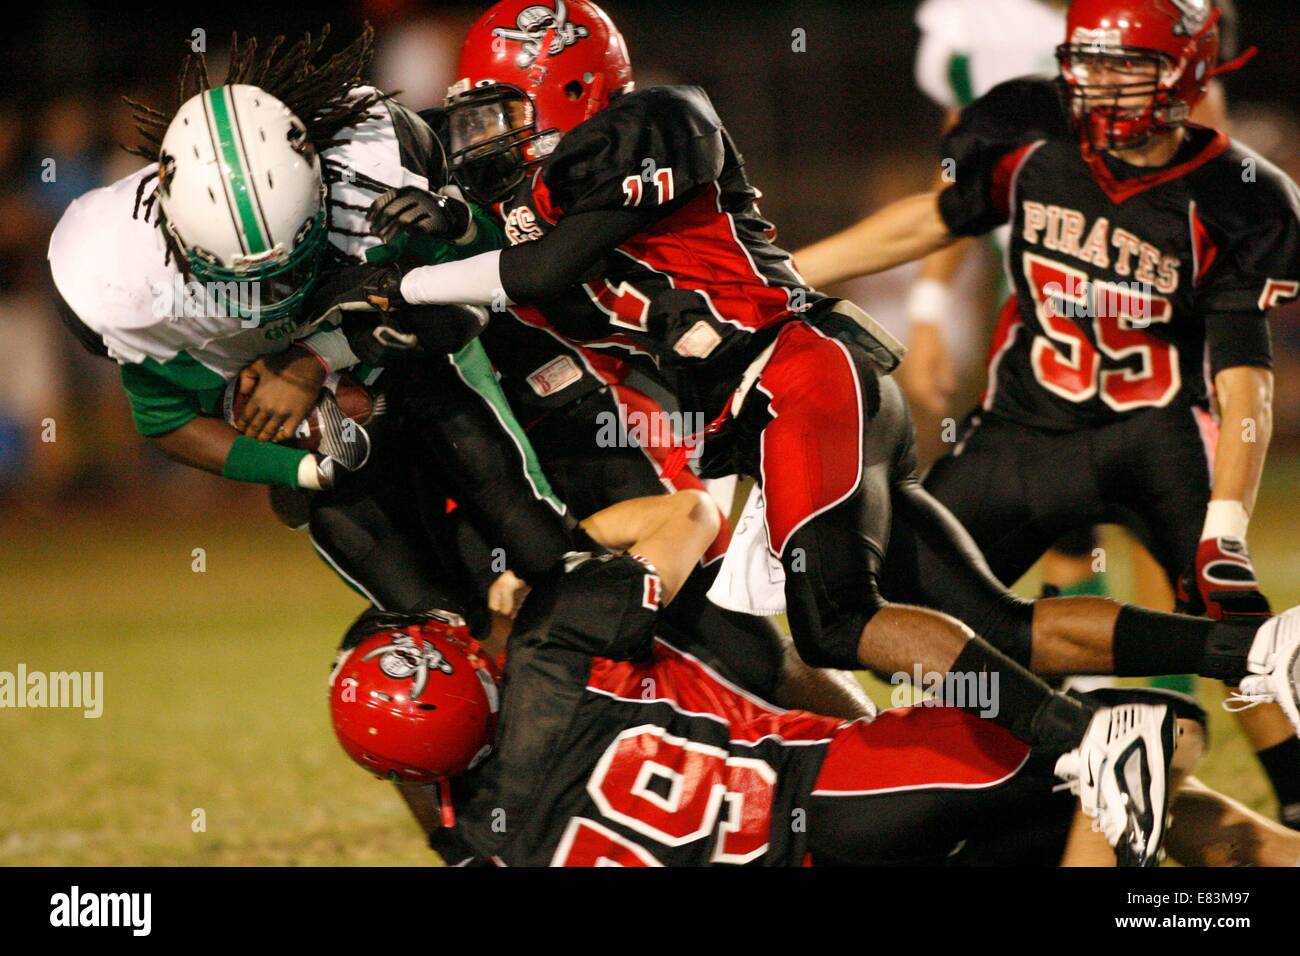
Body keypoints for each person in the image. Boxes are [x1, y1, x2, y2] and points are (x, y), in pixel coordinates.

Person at [374, 0, 1300, 783]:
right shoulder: (542, 195)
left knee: (834, 624)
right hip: (803, 395)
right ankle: (1254, 651)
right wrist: (430, 239)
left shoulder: (654, 121)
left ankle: (1090, 746)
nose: (487, 139)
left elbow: (542, 267)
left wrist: (406, 282)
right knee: (989, 623)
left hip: (802, 382)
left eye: (503, 113)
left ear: (573, 88)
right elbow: (511, 259)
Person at [793, 0, 1300, 825]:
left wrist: (1228, 527)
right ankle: (1055, 744)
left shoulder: (1243, 196)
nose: (1097, 85)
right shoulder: (1028, 128)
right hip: (1026, 428)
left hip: (1159, 434)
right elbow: (931, 219)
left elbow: (1247, 383)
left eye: (1124, 65)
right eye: (1087, 62)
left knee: (1238, 628)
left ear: (1187, 72)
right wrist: (777, 277)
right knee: (885, 608)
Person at [329, 488, 1300, 868]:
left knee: (1099, 807)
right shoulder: (550, 649)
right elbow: (687, 518)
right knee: (1138, 736)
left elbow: (430, 782)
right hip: (831, 790)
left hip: (820, 840)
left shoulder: (478, 840)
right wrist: (557, 560)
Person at [46, 26, 578, 615]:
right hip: (335, 429)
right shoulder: (124, 277)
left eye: (286, 261)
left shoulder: (374, 178)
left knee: (534, 546)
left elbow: (473, 304)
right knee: (421, 611)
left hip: (427, 364)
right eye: (238, 275)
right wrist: (298, 467)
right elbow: (166, 420)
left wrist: (313, 357)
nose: (267, 293)